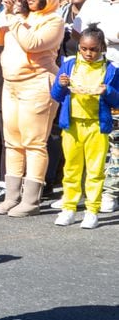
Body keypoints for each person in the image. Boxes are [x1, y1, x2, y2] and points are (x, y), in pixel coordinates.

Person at [0, 0, 65, 217]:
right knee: (13, 142)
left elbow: (32, 43)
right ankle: (12, 196)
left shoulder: (54, 21)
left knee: (34, 142)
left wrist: (17, 17)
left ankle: (31, 200)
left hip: (38, 84)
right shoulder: (21, 17)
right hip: (11, 85)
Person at [51, 25, 119, 228]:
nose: (88, 53)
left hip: (97, 126)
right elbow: (55, 95)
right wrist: (61, 84)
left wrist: (107, 91)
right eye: (84, 48)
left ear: (102, 48)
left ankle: (92, 210)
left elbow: (117, 101)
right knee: (71, 168)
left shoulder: (111, 69)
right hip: (72, 124)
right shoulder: (70, 65)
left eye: (93, 49)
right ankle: (69, 208)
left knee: (95, 170)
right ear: (79, 47)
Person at [73, 0, 119, 213]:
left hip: (116, 74)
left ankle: (110, 191)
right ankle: (82, 190)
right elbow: (78, 33)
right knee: (89, 136)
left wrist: (106, 36)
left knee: (115, 137)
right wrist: (97, 42)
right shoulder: (94, 3)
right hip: (91, 72)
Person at [0, 0, 32, 203]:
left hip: (31, 87)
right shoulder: (4, 19)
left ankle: (30, 184)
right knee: (8, 138)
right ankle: (6, 182)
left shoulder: (38, 21)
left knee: (30, 139)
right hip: (7, 86)